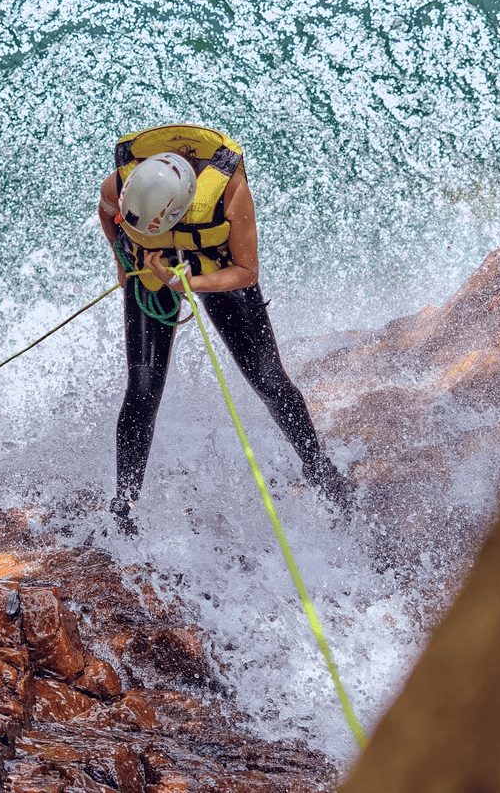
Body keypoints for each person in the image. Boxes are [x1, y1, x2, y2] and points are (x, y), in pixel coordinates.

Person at [97, 123, 354, 534]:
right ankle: (123, 505)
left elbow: (247, 271)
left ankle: (319, 468)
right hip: (151, 266)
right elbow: (107, 210)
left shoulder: (230, 193)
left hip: (216, 267)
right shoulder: (125, 182)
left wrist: (188, 284)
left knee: (269, 380)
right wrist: (122, 261)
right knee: (143, 389)